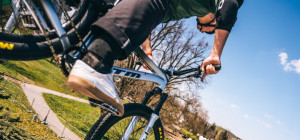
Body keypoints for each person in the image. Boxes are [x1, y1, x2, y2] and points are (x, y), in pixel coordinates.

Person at [67, 0, 244, 116]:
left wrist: (148, 49)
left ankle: (70, 46)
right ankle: (96, 62)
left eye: (205, 31)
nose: (200, 30)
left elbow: (143, 16)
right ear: (216, 20)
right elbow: (230, 5)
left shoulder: (178, 9)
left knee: (110, 10)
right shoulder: (215, 4)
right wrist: (215, 55)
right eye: (209, 30)